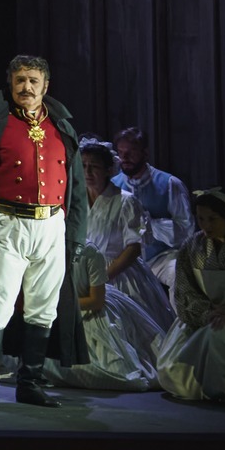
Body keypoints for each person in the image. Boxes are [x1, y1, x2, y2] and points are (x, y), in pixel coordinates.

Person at [0, 54, 89, 410]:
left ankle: (31, 383)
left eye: (33, 80)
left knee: (44, 308)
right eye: (20, 80)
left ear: (46, 86)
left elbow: (77, 190)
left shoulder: (63, 127)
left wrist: (75, 236)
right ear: (10, 84)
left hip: (52, 226)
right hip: (7, 224)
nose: (26, 87)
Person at [153, 188, 225, 403]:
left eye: (213, 219)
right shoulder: (192, 246)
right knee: (171, 368)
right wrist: (206, 313)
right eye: (201, 219)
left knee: (220, 337)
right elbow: (185, 289)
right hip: (204, 313)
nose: (206, 225)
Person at [79, 138, 173, 328]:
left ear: (108, 170)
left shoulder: (125, 201)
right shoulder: (76, 200)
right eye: (83, 166)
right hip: (84, 273)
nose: (87, 172)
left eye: (94, 166)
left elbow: (134, 246)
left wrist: (102, 277)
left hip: (117, 273)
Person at [43, 242, 161, 392]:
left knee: (118, 370)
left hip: (85, 310)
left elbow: (96, 301)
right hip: (55, 311)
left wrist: (59, 304)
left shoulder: (89, 253)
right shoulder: (45, 247)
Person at [112, 126, 195, 286]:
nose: (125, 157)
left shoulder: (169, 184)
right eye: (121, 152)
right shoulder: (113, 186)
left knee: (179, 275)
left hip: (161, 258)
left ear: (145, 153)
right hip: (126, 261)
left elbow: (186, 231)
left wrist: (149, 224)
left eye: (131, 152)